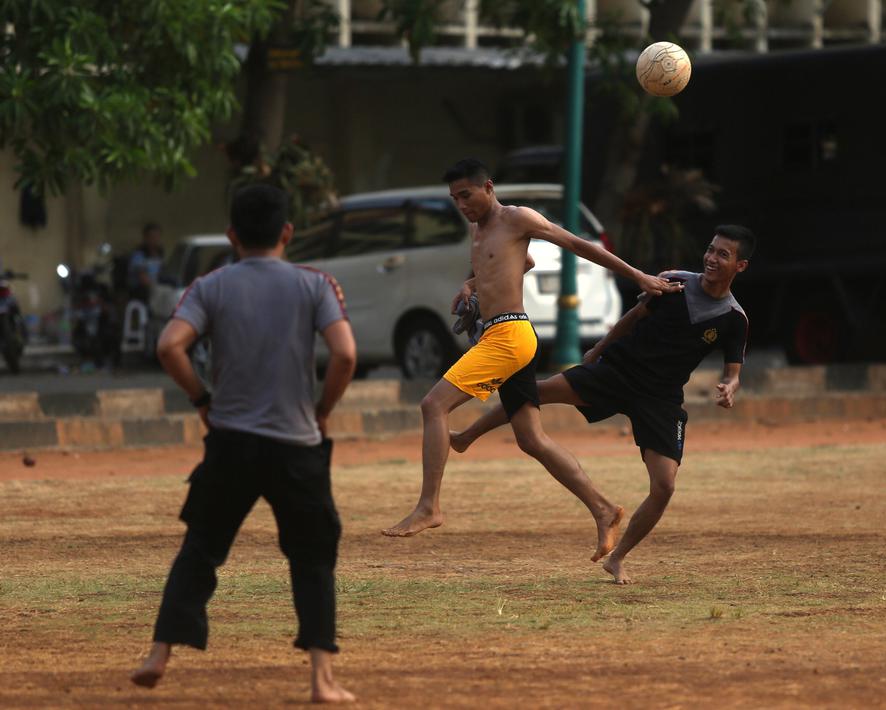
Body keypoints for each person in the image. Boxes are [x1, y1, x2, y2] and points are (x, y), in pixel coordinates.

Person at [380, 158, 680, 562]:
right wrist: (470, 286)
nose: (461, 205)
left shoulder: (518, 218)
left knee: (433, 405)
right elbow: (525, 262)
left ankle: (429, 507)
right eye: (454, 199)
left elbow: (577, 244)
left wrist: (639, 277)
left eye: (466, 195)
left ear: (488, 187)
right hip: (502, 334)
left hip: (509, 336)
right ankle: (604, 509)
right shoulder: (478, 228)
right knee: (531, 439)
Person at [130, 185, 358, 704]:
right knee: (313, 556)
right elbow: (344, 355)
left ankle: (158, 654)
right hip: (297, 444)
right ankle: (322, 679)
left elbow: (170, 346)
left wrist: (201, 399)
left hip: (230, 441)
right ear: (287, 233)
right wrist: (320, 410)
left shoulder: (210, 286)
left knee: (201, 548)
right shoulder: (316, 284)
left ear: (232, 235)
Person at [451, 225, 754, 584]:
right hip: (618, 371)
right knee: (539, 391)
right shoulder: (674, 282)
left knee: (665, 487)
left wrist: (730, 386)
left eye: (723, 254)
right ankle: (467, 435)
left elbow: (733, 370)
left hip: (661, 397)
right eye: (710, 249)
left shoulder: (734, 319)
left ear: (740, 266)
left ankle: (618, 558)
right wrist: (597, 350)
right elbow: (632, 319)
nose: (711, 258)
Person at [127, 222, 164, 302]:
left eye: (157, 236)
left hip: (155, 289)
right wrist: (157, 288)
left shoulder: (159, 254)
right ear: (145, 238)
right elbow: (143, 279)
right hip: (141, 291)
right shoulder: (139, 255)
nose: (154, 240)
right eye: (152, 237)